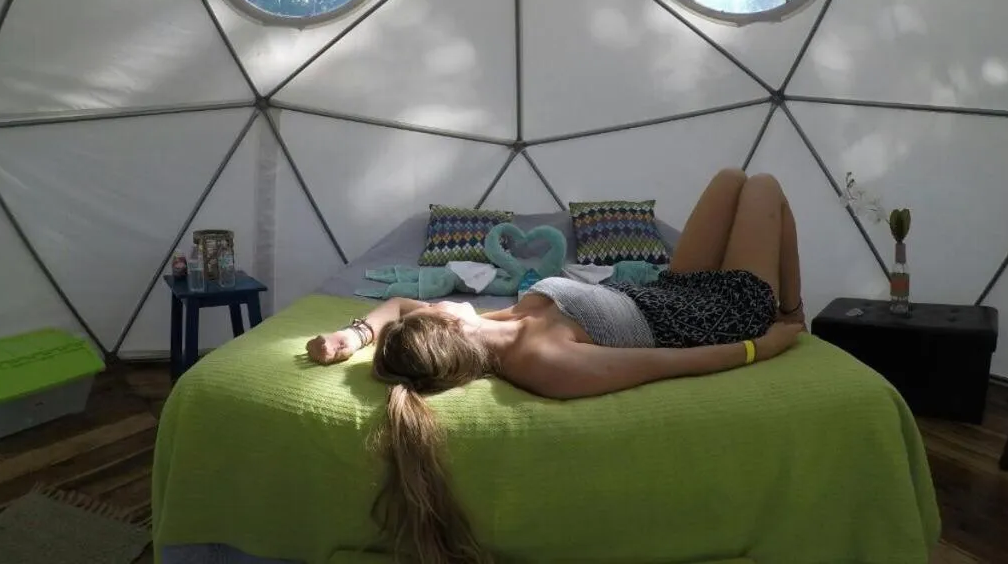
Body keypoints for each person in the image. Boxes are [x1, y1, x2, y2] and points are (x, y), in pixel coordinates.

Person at [305, 169, 808, 564]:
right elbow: (673, 362)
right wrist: (766, 343)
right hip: (716, 314)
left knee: (729, 180)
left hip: (664, 291)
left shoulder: (491, 324)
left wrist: (350, 337)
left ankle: (783, 304)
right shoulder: (542, 362)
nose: (430, 300)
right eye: (431, 309)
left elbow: (394, 304)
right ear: (448, 328)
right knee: (763, 187)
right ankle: (793, 308)